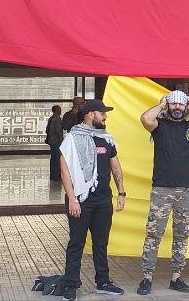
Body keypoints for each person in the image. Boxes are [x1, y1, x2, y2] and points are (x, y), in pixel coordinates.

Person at [136, 90, 189, 295]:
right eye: (174, 104)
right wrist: (161, 105)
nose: (177, 108)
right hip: (162, 189)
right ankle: (146, 277)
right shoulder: (159, 126)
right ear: (168, 105)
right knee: (154, 234)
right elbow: (145, 118)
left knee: (182, 235)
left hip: (186, 190)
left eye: (181, 105)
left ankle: (176, 277)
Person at [57, 99, 126, 300]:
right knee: (76, 243)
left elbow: (115, 166)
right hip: (81, 199)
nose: (105, 116)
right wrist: (72, 199)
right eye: (102, 112)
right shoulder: (72, 138)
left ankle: (103, 281)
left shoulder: (107, 139)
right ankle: (70, 283)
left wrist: (121, 192)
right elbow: (65, 170)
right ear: (90, 114)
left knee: (101, 243)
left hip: (104, 199)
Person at [47, 105, 64, 181]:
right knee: (57, 159)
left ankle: (52, 175)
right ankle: (56, 176)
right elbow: (58, 131)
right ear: (56, 110)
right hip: (56, 141)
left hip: (51, 141)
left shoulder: (51, 118)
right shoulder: (57, 118)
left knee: (53, 158)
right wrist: (62, 140)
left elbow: (47, 130)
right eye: (59, 109)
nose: (60, 111)